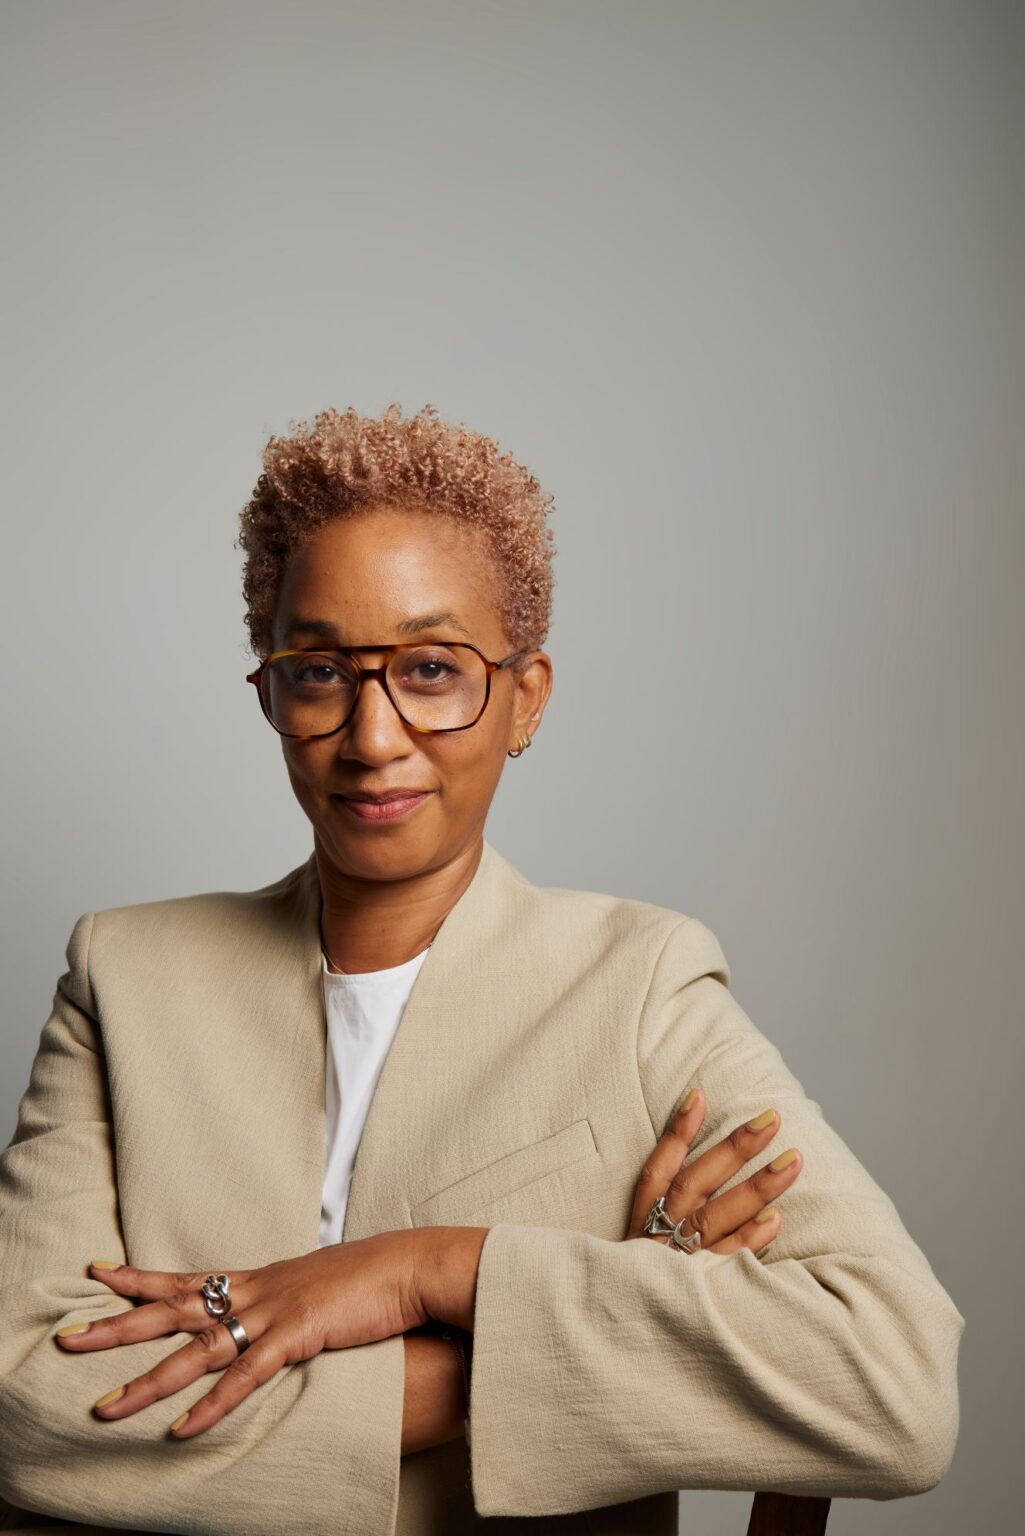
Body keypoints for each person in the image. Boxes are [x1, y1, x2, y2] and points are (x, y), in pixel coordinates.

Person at [0, 404, 964, 1535]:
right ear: (269, 694)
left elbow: (892, 1386)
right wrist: (496, 1372)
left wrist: (426, 1272)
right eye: (319, 671)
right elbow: (21, 1404)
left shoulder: (638, 988)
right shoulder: (122, 978)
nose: (372, 738)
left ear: (525, 698)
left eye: (430, 668)